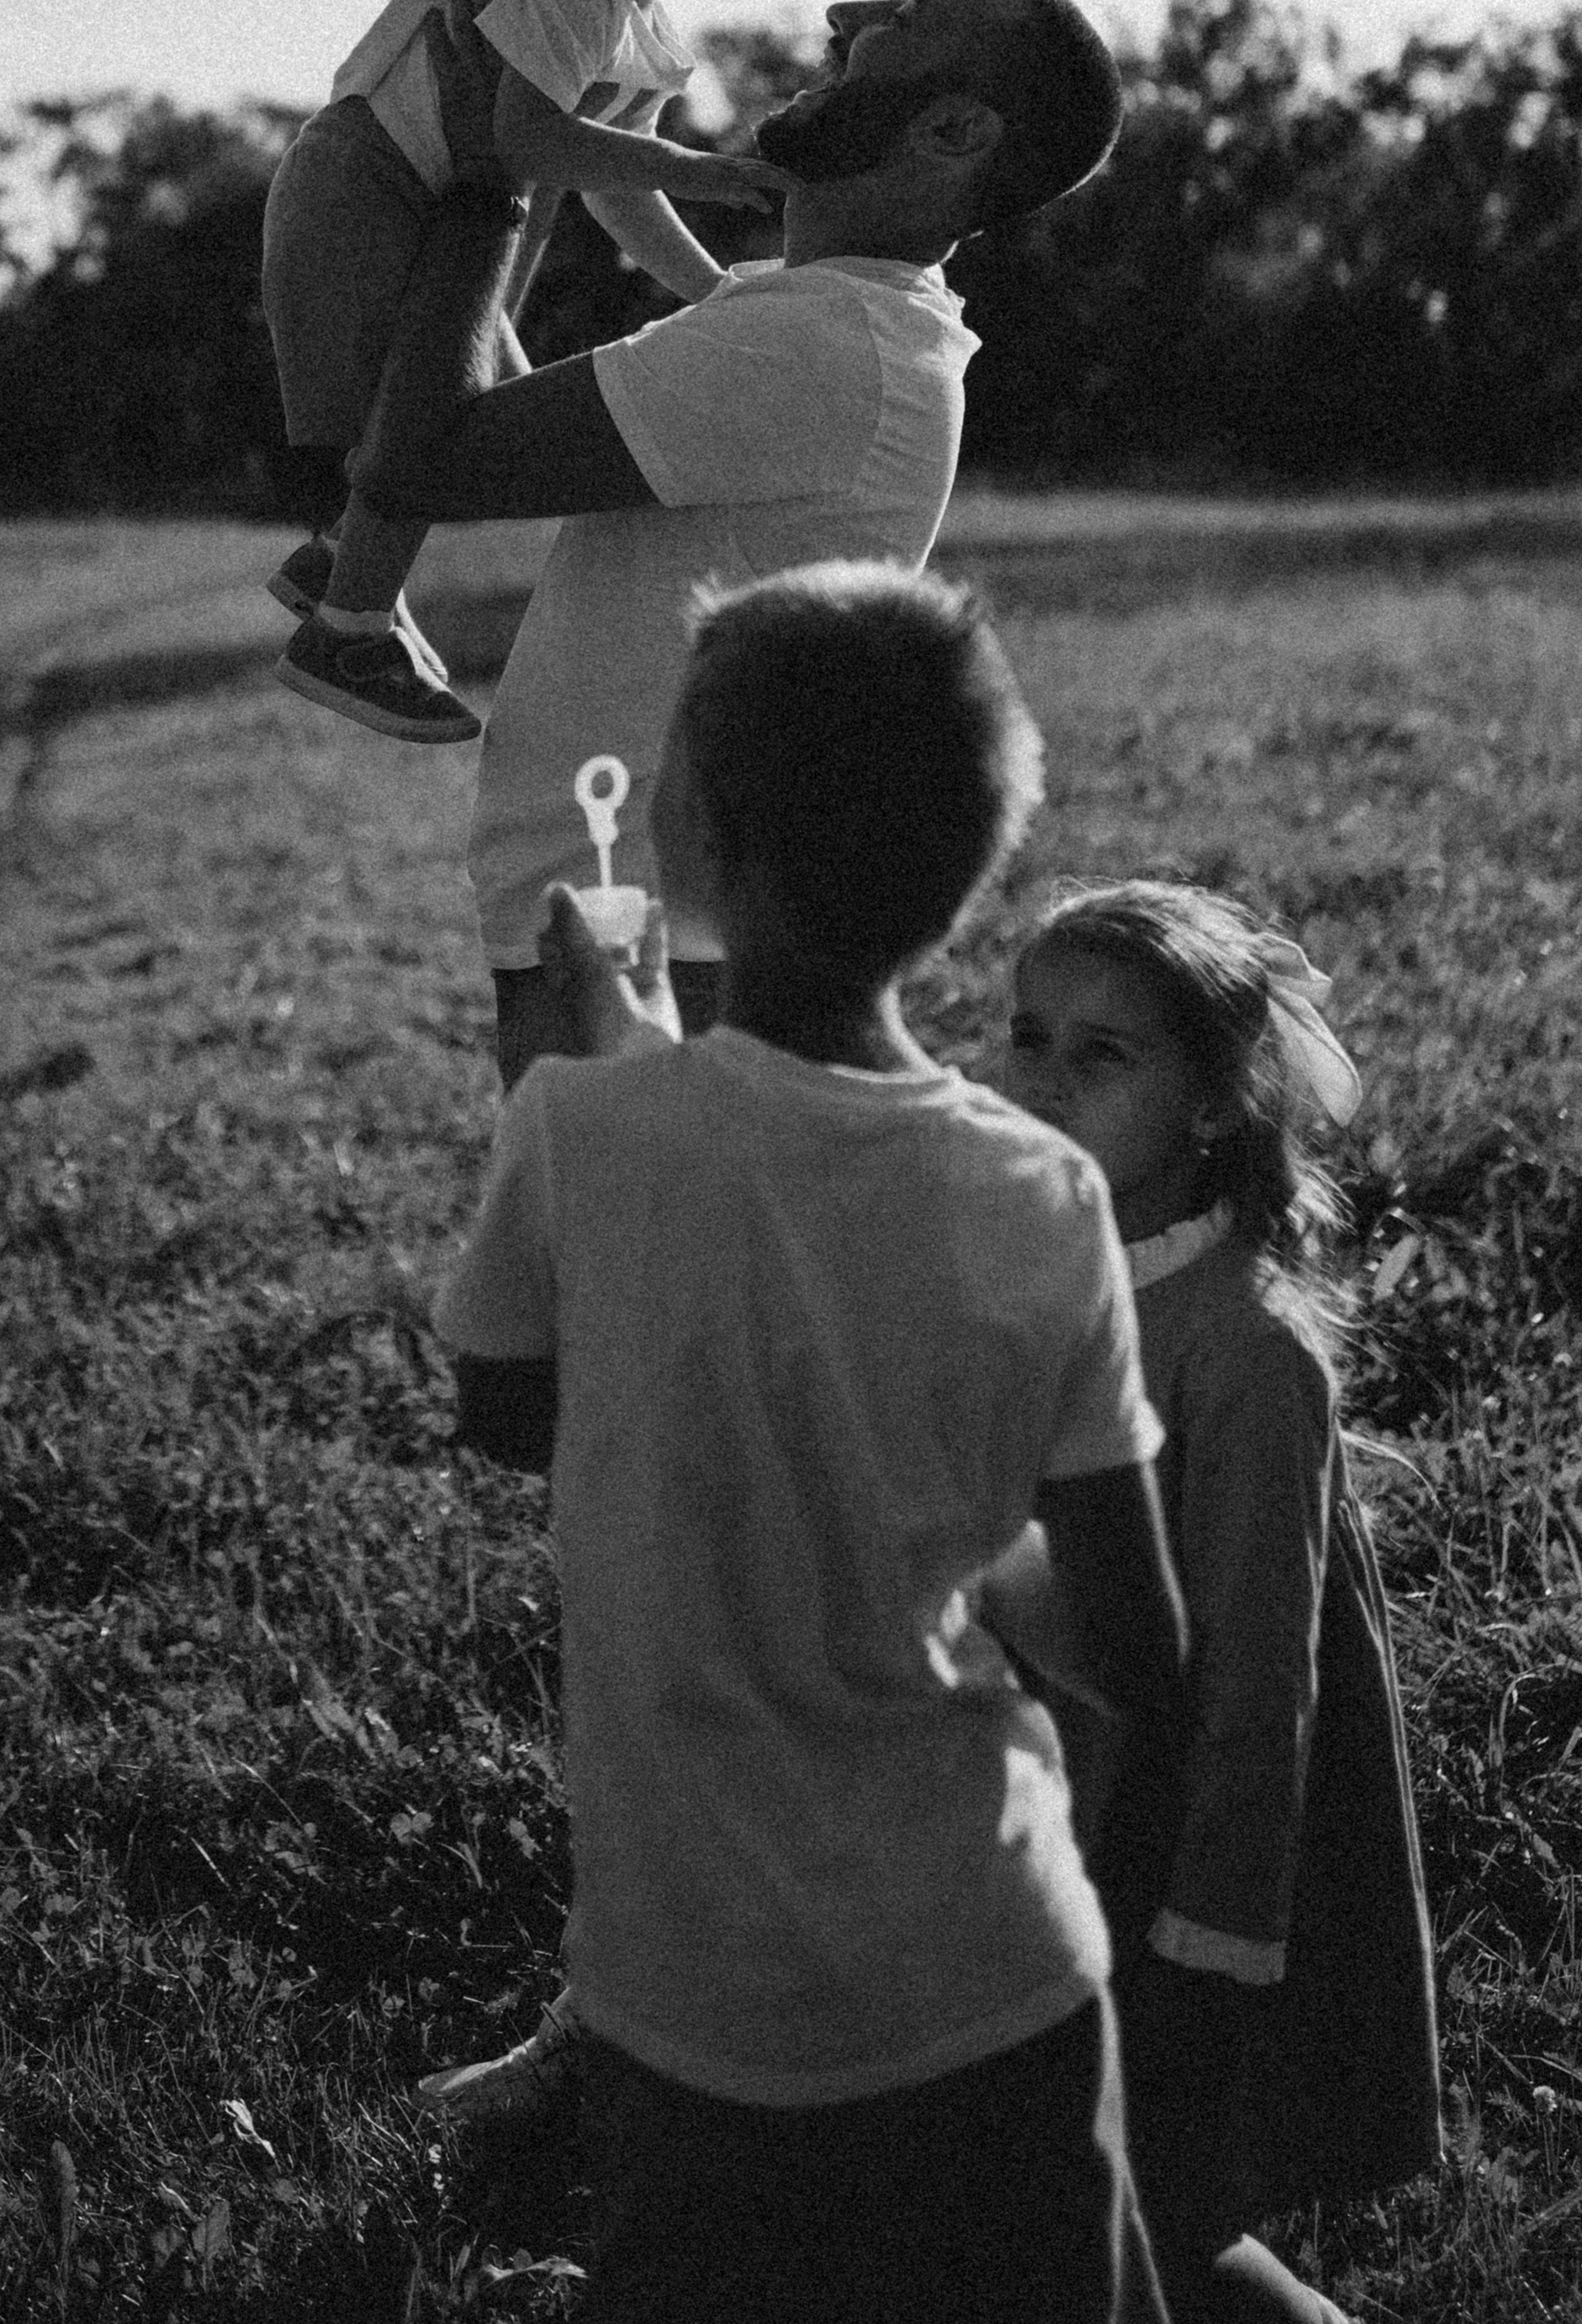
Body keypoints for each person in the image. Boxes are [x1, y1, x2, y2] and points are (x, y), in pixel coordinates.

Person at [434, 562, 1193, 2324]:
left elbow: (512, 1409)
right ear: (968, 867)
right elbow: (1139, 1650)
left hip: (699, 2006)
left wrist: (615, 1067)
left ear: (691, 838)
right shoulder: (1044, 1190)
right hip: (1001, 1969)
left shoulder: (580, 1133)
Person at [352, 0, 1124, 1088]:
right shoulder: (826, 323)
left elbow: (415, 461)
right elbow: (502, 429)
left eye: (903, 15)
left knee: (617, 1207)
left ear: (955, 132)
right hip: (630, 914)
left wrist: (496, 168)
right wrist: (546, 156)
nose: (845, 12)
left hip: (638, 935)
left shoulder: (821, 343)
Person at [990, 880, 1442, 2324]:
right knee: (1057, 2177)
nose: (1044, 1078)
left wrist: (1212, 1940)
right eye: (1029, 1034)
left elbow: (1260, 1685)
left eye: (1103, 1054)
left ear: (1209, 1106)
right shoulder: (1044, 1259)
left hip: (1176, 1842)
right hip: (1049, 1790)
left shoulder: (1243, 1349)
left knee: (1153, 2202)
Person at [262, 0, 790, 743]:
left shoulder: (639, 24)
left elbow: (611, 187)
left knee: (492, 416)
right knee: (439, 417)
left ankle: (339, 564)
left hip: (427, 204)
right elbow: (528, 138)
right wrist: (706, 172)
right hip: (365, 185)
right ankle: (349, 627)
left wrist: (715, 292)